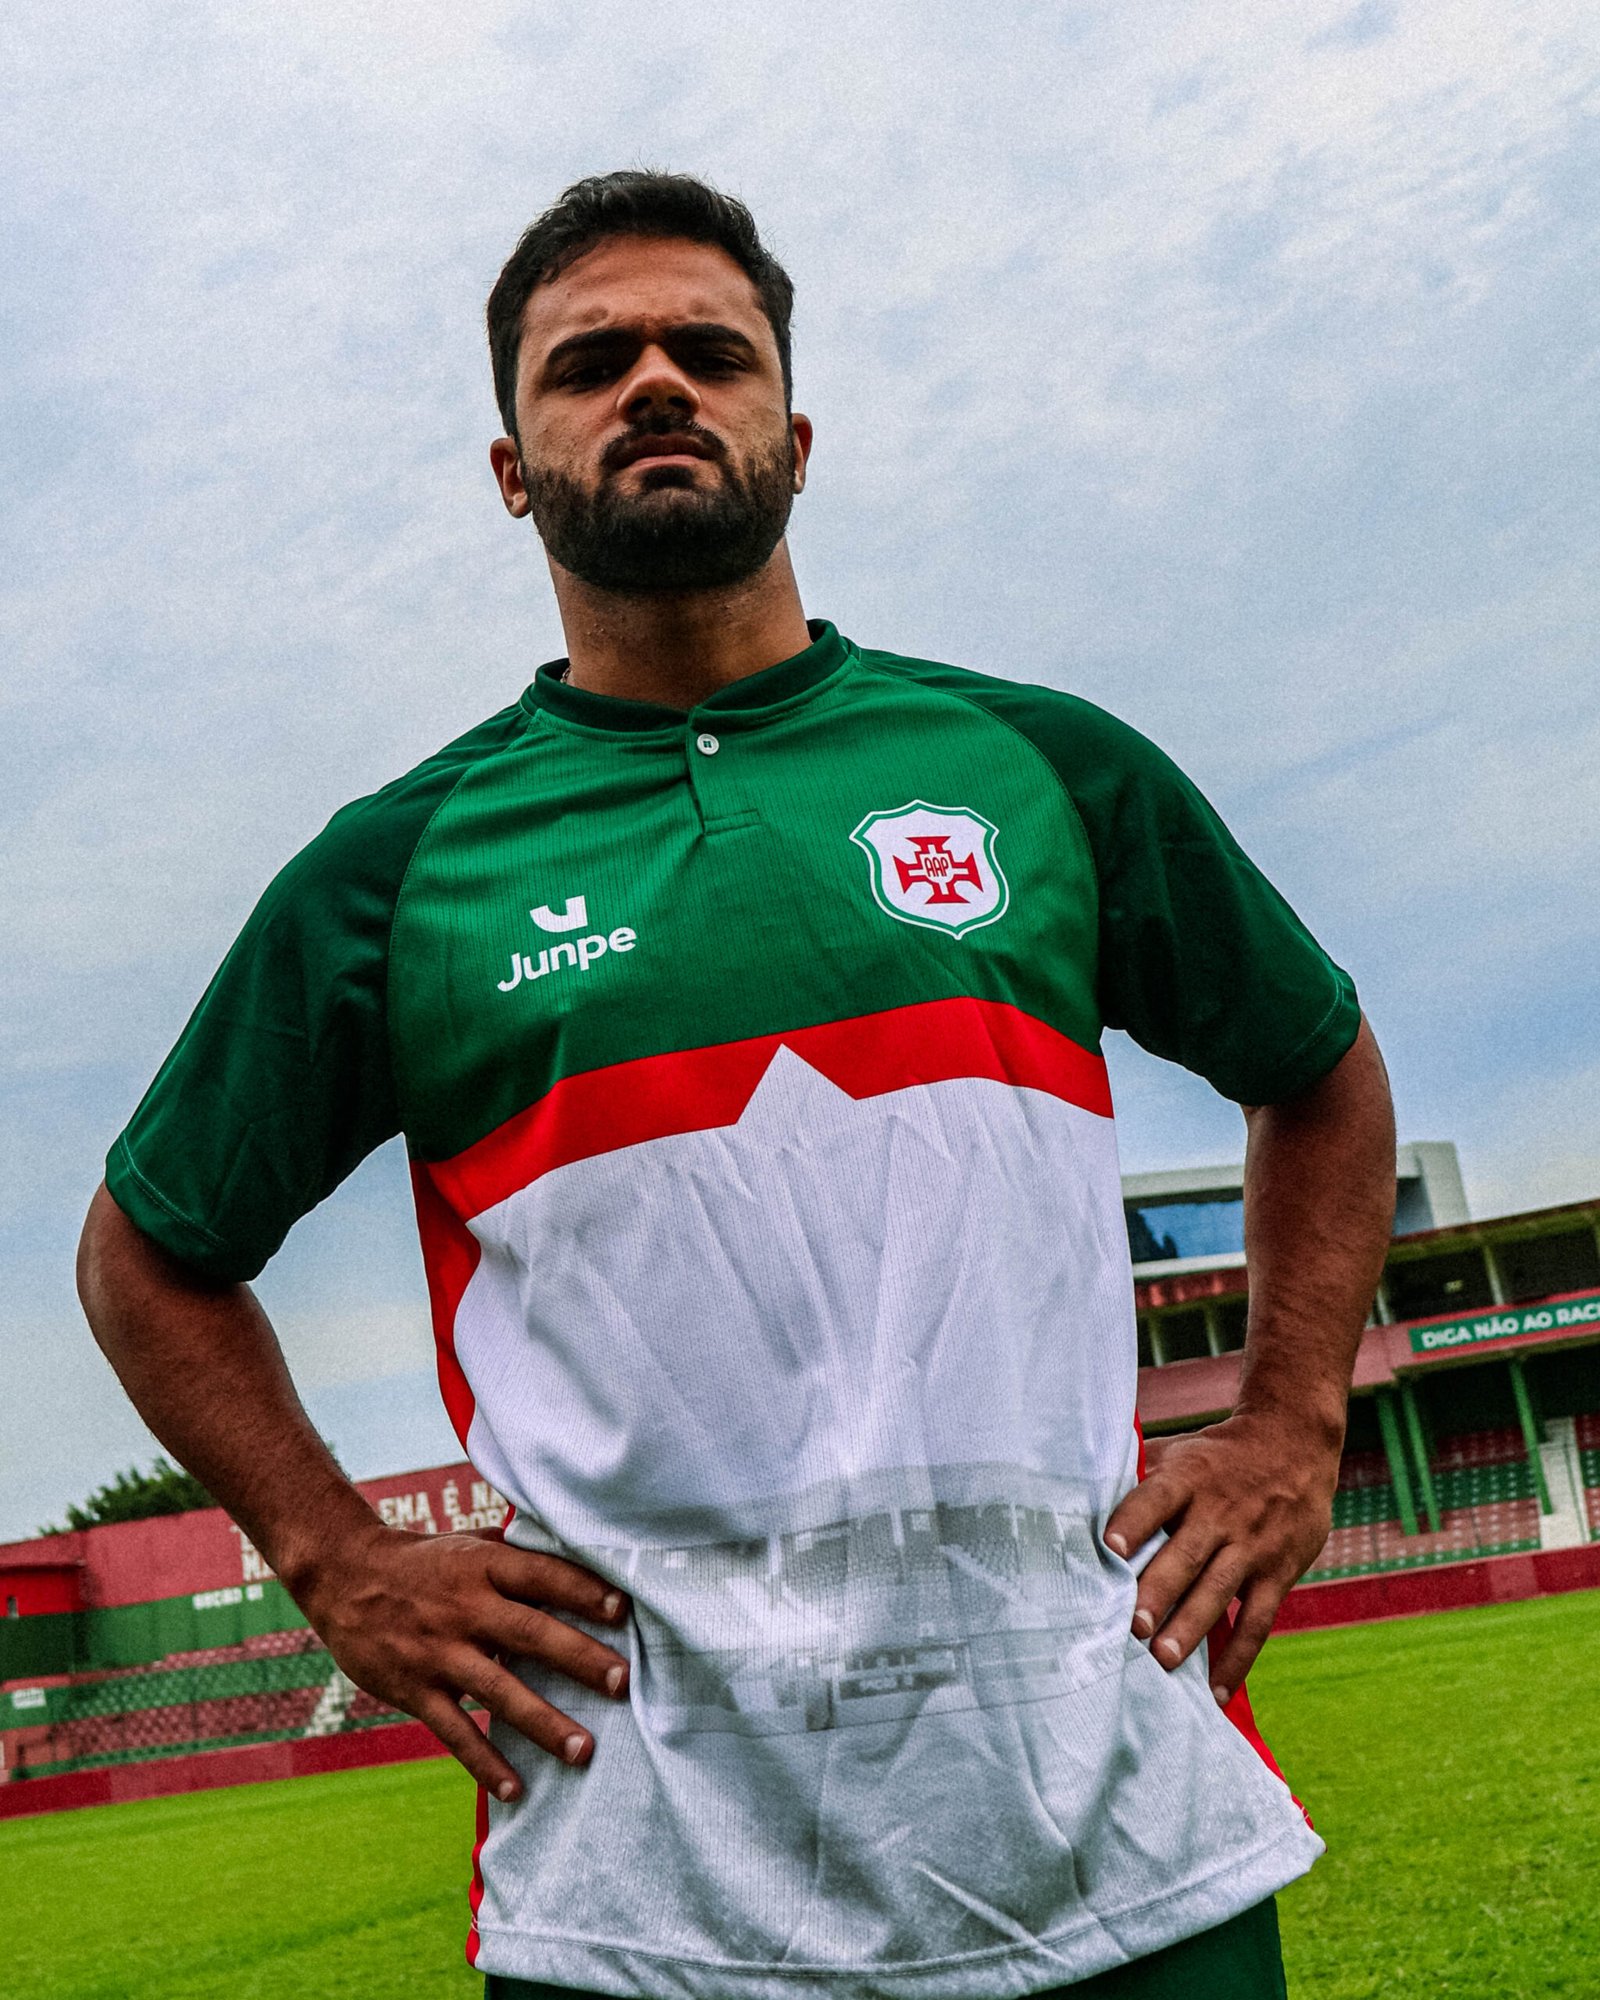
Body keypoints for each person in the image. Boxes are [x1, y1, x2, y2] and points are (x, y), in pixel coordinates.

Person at [78, 171, 1397, 1999]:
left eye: (711, 351)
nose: (656, 383)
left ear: (796, 434)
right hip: (649, 1900)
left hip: (1125, 1849)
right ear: (512, 470)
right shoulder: (400, 871)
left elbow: (1319, 1074)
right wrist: (333, 1555)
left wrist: (1294, 1422)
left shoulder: (1040, 766)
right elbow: (146, 1254)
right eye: (588, 363)